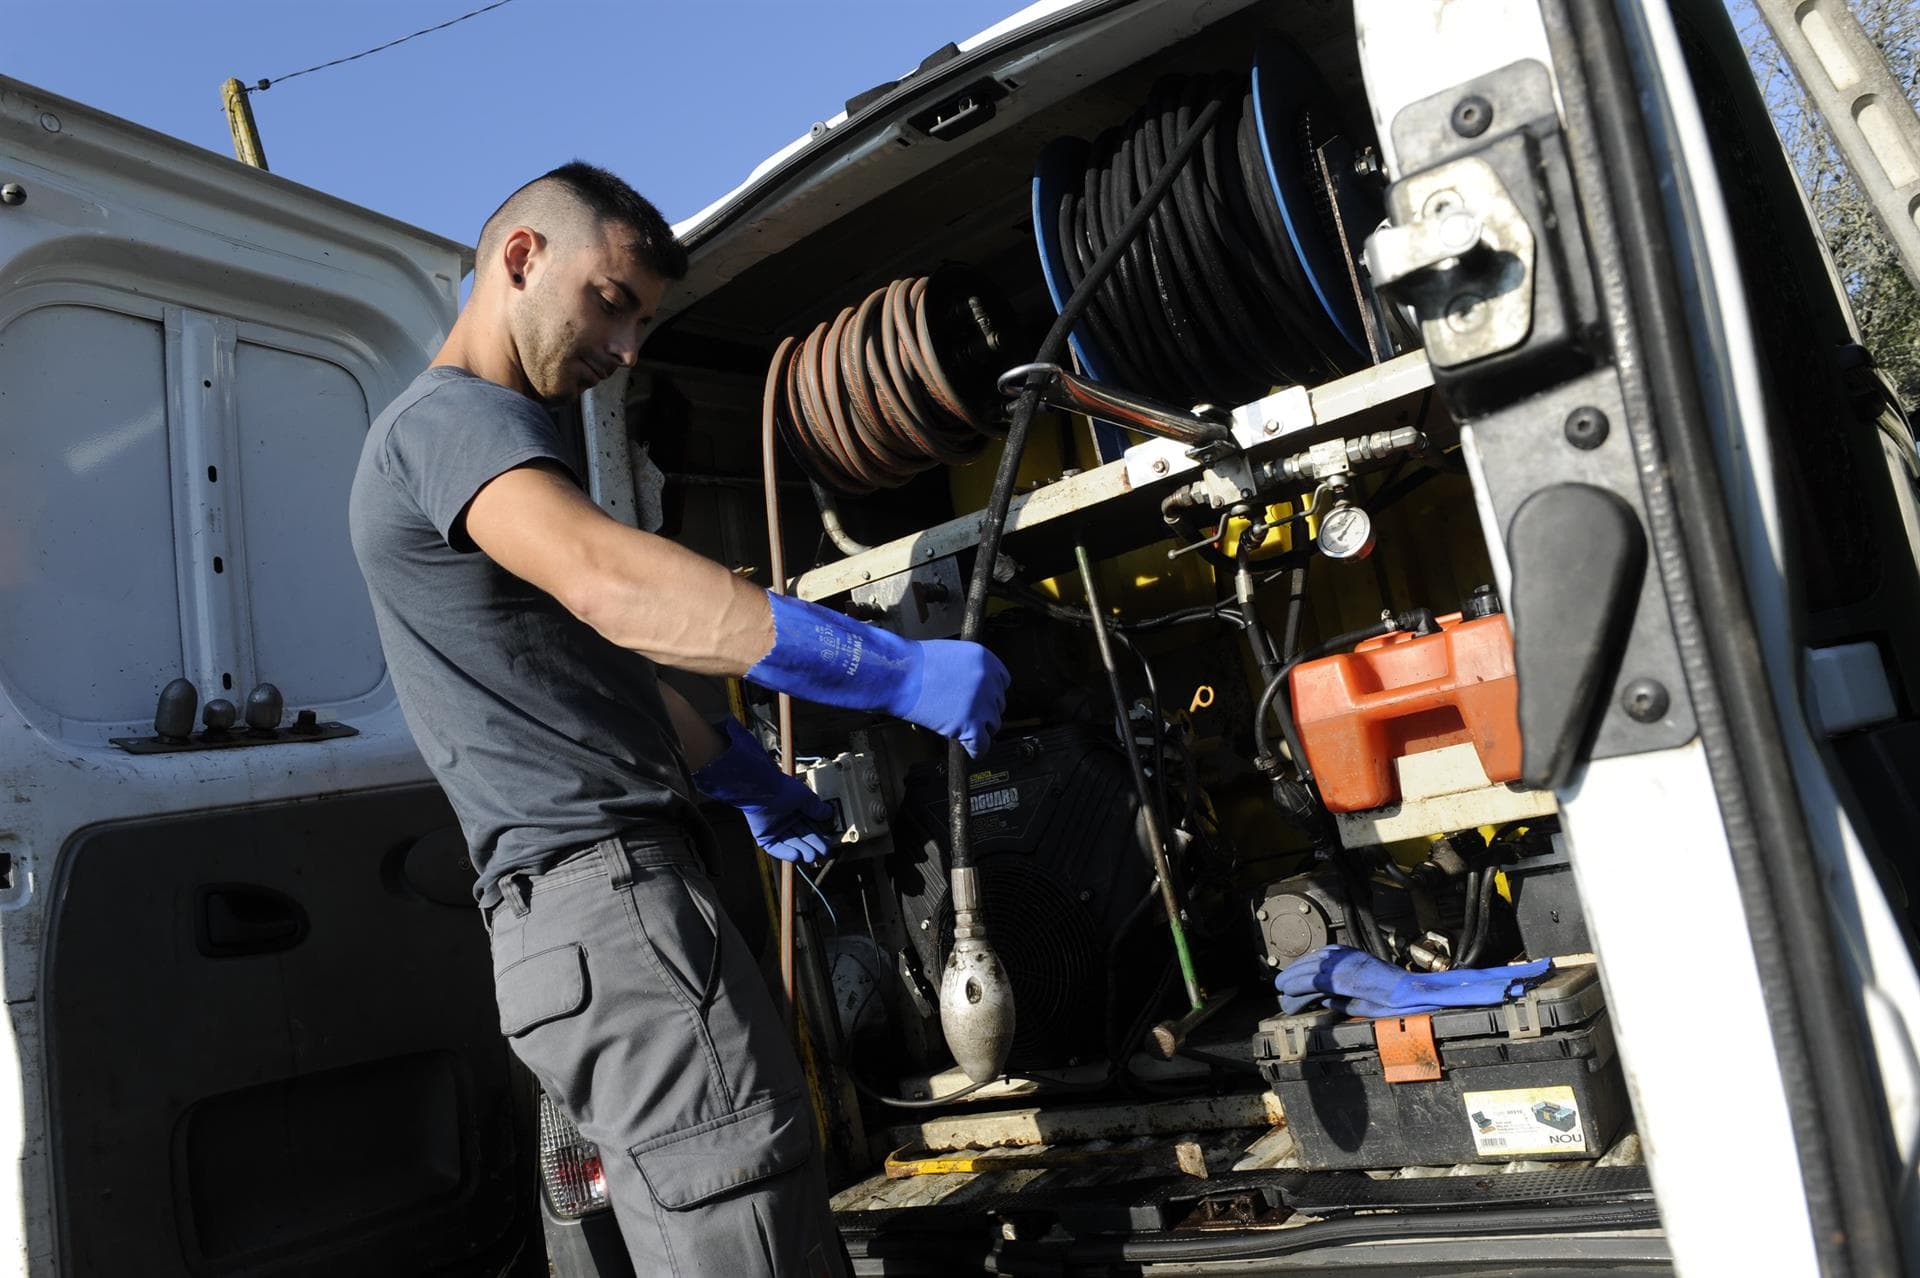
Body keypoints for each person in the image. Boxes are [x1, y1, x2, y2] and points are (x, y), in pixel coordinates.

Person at [348, 161, 1009, 1276]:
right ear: (521, 259)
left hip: (599, 924)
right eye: (612, 304)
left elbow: (589, 663)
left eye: (644, 322)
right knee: (753, 1248)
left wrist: (741, 772)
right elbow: (618, 590)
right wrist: (885, 668)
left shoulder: (496, 449)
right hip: (608, 911)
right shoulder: (453, 422)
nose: (629, 351)